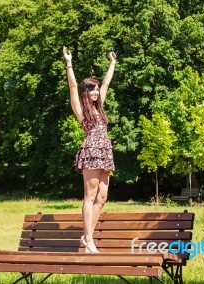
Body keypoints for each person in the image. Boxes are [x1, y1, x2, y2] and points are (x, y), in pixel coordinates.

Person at [63, 46, 116, 253]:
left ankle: (87, 238)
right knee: (90, 195)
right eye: (92, 89)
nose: (95, 91)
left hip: (105, 152)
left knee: (102, 198)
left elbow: (106, 83)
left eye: (96, 89)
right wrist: (69, 63)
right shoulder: (81, 110)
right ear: (86, 92)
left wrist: (112, 62)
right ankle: (89, 240)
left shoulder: (99, 106)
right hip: (92, 152)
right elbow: (73, 86)